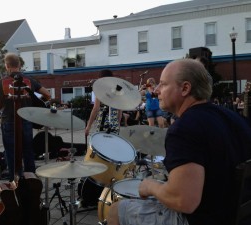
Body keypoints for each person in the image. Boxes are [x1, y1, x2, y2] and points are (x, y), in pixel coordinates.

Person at [107, 58, 251, 225]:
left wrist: (150, 186)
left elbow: (183, 201)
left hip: (205, 219)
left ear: (185, 88)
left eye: (163, 84)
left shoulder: (185, 128)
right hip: (236, 215)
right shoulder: (233, 117)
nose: (157, 90)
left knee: (116, 210)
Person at [0, 52, 51, 182]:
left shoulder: (0, 83)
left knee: (10, 151)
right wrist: (34, 102)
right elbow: (47, 95)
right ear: (19, 65)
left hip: (8, 121)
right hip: (26, 120)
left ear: (6, 66)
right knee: (28, 149)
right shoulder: (29, 81)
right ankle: (31, 179)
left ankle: (15, 179)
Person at [85, 69, 122, 136]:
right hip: (114, 123)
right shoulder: (117, 90)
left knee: (101, 144)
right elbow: (120, 109)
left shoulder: (100, 90)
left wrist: (88, 126)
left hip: (103, 122)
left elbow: (95, 109)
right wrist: (118, 123)